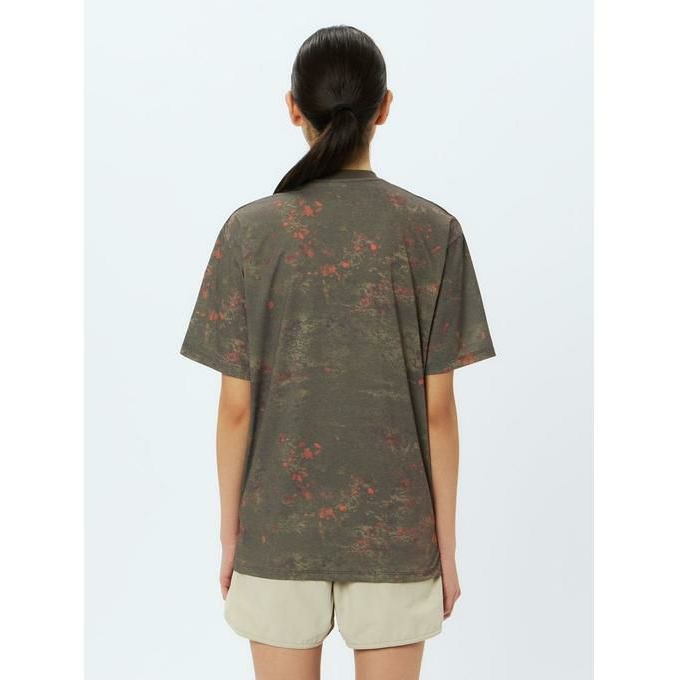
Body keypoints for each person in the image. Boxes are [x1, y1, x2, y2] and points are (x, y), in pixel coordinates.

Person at [179, 24, 496, 680]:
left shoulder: (249, 232)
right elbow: (439, 412)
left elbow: (235, 409)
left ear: (293, 108)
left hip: (277, 533)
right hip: (396, 537)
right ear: (385, 108)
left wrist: (231, 536)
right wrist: (446, 547)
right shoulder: (432, 232)